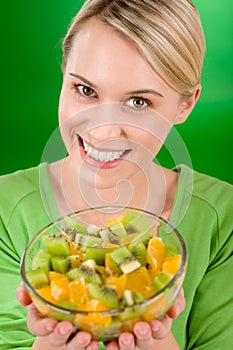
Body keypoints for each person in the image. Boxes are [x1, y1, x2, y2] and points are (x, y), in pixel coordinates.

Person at [0, 0, 232, 349]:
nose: (104, 131)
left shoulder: (223, 217)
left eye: (139, 102)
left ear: (186, 104)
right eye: (86, 90)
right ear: (64, 74)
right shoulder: (5, 208)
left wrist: (150, 333)